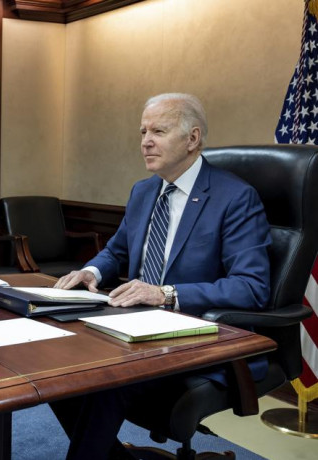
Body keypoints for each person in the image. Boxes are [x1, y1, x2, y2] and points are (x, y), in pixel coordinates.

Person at [51, 93, 271, 460]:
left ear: (193, 139)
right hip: (133, 328)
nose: (145, 141)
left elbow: (252, 287)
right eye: (143, 131)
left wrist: (165, 293)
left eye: (158, 131)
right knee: (58, 366)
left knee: (102, 379)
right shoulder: (143, 191)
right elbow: (117, 250)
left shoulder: (235, 197)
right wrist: (89, 270)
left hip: (197, 336)